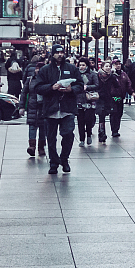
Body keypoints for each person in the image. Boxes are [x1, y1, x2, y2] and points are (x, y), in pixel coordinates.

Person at [34, 45, 84, 174]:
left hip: (67, 108)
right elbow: (38, 87)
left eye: (62, 52)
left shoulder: (72, 68)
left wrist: (71, 89)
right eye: (57, 52)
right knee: (51, 138)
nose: (60, 55)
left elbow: (80, 84)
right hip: (51, 109)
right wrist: (52, 87)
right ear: (52, 54)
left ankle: (64, 159)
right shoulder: (45, 70)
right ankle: (53, 163)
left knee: (68, 134)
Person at [21, 57, 46, 157]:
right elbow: (24, 93)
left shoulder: (47, 80)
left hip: (43, 107)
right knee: (32, 126)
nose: (38, 70)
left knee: (43, 128)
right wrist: (21, 107)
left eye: (40, 69)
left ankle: (41, 148)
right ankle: (32, 147)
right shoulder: (30, 79)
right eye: (37, 68)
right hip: (32, 106)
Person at [75, 58, 99, 146]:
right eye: (80, 65)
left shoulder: (92, 74)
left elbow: (96, 85)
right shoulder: (76, 74)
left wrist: (87, 87)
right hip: (79, 99)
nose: (81, 67)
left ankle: (89, 134)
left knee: (89, 119)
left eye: (83, 65)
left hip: (90, 99)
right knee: (80, 120)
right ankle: (82, 139)